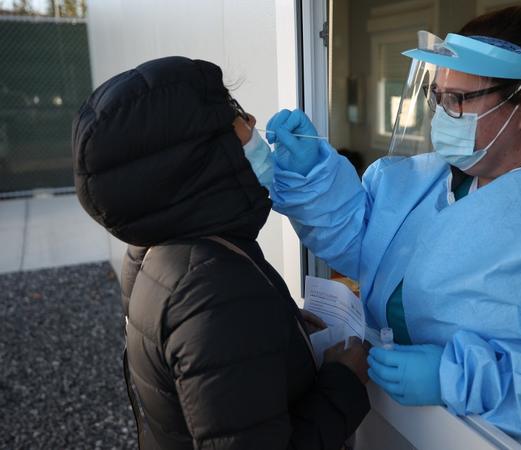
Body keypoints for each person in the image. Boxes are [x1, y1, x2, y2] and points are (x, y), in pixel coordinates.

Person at [264, 1, 521, 448]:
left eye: (458, 100)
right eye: (437, 96)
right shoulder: (428, 177)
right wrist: (313, 178)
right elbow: (361, 243)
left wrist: (462, 378)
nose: (441, 114)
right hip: (388, 423)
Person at [71, 56, 370, 449]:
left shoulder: (154, 248)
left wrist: (280, 329)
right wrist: (343, 383)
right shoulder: (215, 289)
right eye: (234, 115)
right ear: (196, 158)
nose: (251, 120)